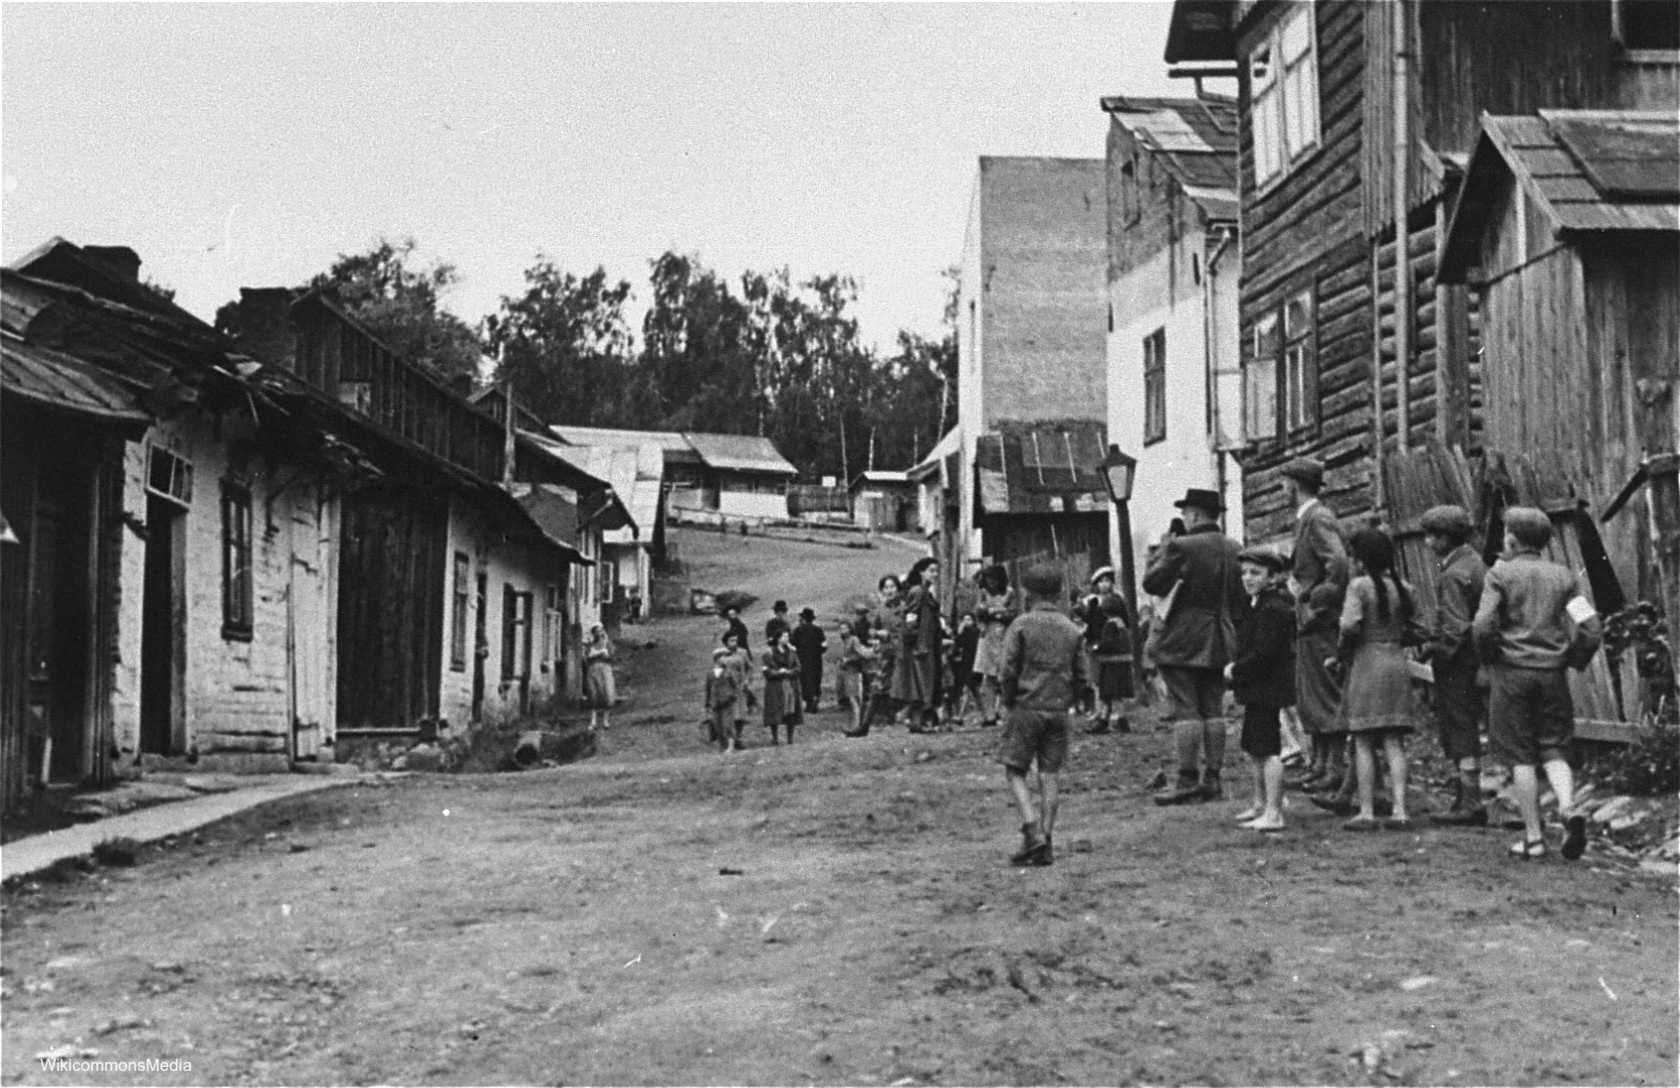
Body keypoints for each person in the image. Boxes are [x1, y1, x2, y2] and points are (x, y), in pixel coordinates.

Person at [1472, 506, 1602, 860]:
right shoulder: (1564, 577)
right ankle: (1567, 806)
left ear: (1511, 539)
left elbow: (1482, 625)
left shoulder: (1500, 575)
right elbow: (1590, 628)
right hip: (1552, 675)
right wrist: (1572, 658)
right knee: (1554, 748)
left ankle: (1534, 838)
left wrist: (1490, 656)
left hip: (1512, 673)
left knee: (1521, 755)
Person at [1143, 487, 1245, 805]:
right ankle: (1213, 778)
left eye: (1186, 512)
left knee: (1186, 708)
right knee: (1213, 707)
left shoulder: (1181, 546)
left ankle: (1187, 779)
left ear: (1196, 514)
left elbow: (1152, 584)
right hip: (1222, 635)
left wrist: (1161, 552)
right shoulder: (1234, 547)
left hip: (1184, 637)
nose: (1184, 518)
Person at [996, 563, 1088, 867]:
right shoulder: (1071, 629)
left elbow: (1008, 669)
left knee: (1015, 770)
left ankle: (1031, 829)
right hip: (1059, 710)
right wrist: (1069, 700)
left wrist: (1009, 699)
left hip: (1026, 707)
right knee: (1050, 774)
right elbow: (1082, 675)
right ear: (1059, 592)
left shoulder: (1021, 625)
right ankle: (1046, 841)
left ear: (1027, 592)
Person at [1332, 528, 1420, 831]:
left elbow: (1349, 625)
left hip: (1366, 664)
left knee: (1363, 741)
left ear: (1359, 559)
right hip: (1396, 662)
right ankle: (1400, 810)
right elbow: (1417, 628)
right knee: (1394, 741)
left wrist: (1341, 653)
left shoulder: (1358, 587)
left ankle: (1367, 811)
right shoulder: (1404, 587)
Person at [1281, 457, 1350, 795]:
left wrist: (1314, 599)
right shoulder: (1307, 519)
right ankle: (1320, 764)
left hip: (1321, 623)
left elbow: (1338, 563)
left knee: (1326, 693)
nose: (1283, 490)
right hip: (1310, 625)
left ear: (1293, 485)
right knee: (1312, 695)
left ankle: (1334, 767)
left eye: (1284, 484)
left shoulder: (1318, 518)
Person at [1421, 504, 1491, 827]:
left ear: (1447, 538)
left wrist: (1437, 653)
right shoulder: (1476, 563)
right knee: (1467, 727)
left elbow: (1456, 627)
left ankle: (1470, 801)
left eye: (1432, 537)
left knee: (1460, 728)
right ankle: (1466, 797)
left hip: (1459, 664)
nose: (1428, 543)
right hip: (1475, 660)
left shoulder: (1453, 574)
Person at [1227, 547, 1296, 831]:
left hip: (1268, 686)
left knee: (1268, 750)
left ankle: (1274, 811)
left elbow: (1264, 653)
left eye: (1255, 573)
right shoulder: (1258, 605)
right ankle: (1260, 803)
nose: (1248, 578)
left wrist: (1236, 670)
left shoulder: (1274, 609)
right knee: (1255, 748)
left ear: (1272, 576)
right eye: (1244, 573)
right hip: (1258, 687)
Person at [1078, 566, 1134, 734]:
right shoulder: (1093, 601)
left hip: (1109, 649)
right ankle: (1100, 713)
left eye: (1107, 581)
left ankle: (1109, 716)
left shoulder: (1116, 601)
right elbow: (1090, 621)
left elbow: (1125, 621)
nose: (1104, 585)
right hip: (1097, 643)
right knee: (1097, 680)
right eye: (1101, 581)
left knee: (1109, 684)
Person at [897, 557, 944, 731]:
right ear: (921, 572)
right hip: (921, 646)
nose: (935, 574)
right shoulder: (917, 592)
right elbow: (910, 619)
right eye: (931, 570)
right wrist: (914, 642)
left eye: (936, 571)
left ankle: (919, 721)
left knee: (928, 684)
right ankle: (915, 720)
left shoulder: (927, 593)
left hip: (930, 645)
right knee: (922, 684)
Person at [971, 565, 1018, 728]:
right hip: (988, 638)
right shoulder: (983, 593)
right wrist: (996, 612)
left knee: (1006, 676)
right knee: (989, 677)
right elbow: (979, 612)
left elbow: (1012, 614)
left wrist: (993, 613)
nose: (991, 583)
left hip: (1005, 637)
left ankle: (1007, 713)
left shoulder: (1009, 593)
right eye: (988, 580)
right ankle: (989, 714)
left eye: (994, 580)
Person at [860, 574, 904, 732]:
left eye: (892, 587)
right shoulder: (881, 610)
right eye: (886, 587)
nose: (889, 590)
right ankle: (864, 726)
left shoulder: (905, 608)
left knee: (904, 689)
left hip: (904, 656)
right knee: (878, 690)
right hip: (887, 655)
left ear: (898, 589)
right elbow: (871, 631)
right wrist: (878, 634)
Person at [705, 631, 754, 753]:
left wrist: (747, 681)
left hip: (739, 686)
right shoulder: (721, 657)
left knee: (740, 714)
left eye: (736, 640)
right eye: (732, 641)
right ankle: (727, 740)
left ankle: (738, 738)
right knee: (727, 716)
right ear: (726, 643)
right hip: (723, 689)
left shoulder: (742, 653)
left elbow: (749, 667)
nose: (735, 643)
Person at [838, 606, 878, 736]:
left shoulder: (854, 640)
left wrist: (849, 659)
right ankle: (852, 725)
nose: (843, 630)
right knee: (849, 700)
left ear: (850, 629)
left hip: (853, 671)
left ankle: (856, 726)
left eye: (845, 628)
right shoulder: (845, 641)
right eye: (841, 628)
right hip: (845, 672)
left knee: (854, 699)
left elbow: (863, 653)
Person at [761, 627, 804, 744]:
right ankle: (775, 737)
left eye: (787, 636)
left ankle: (790, 737)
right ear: (779, 639)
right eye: (785, 636)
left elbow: (798, 667)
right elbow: (766, 670)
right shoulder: (769, 654)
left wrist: (789, 672)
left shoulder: (792, 653)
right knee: (774, 711)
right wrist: (777, 673)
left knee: (791, 710)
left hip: (790, 684)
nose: (787, 638)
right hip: (775, 686)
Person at [791, 607, 828, 713]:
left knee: (805, 681)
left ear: (803, 618)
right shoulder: (818, 630)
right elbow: (824, 645)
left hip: (802, 659)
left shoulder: (798, 630)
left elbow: (793, 646)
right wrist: (819, 652)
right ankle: (816, 698)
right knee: (816, 679)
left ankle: (809, 702)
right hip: (816, 659)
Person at [948, 612, 982, 724]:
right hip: (966, 664)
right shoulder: (963, 633)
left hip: (974, 663)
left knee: (967, 689)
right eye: (965, 619)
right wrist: (959, 632)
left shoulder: (976, 632)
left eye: (969, 619)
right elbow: (957, 645)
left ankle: (960, 716)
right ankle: (986, 715)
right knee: (974, 691)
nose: (967, 622)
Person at [584, 624, 616, 731]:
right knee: (593, 694)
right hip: (593, 670)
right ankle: (593, 721)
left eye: (601, 630)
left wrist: (606, 654)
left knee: (606, 693)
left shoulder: (607, 643)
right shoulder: (590, 645)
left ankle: (605, 721)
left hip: (605, 670)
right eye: (596, 631)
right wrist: (597, 654)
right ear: (593, 633)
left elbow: (611, 656)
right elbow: (587, 658)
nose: (599, 633)